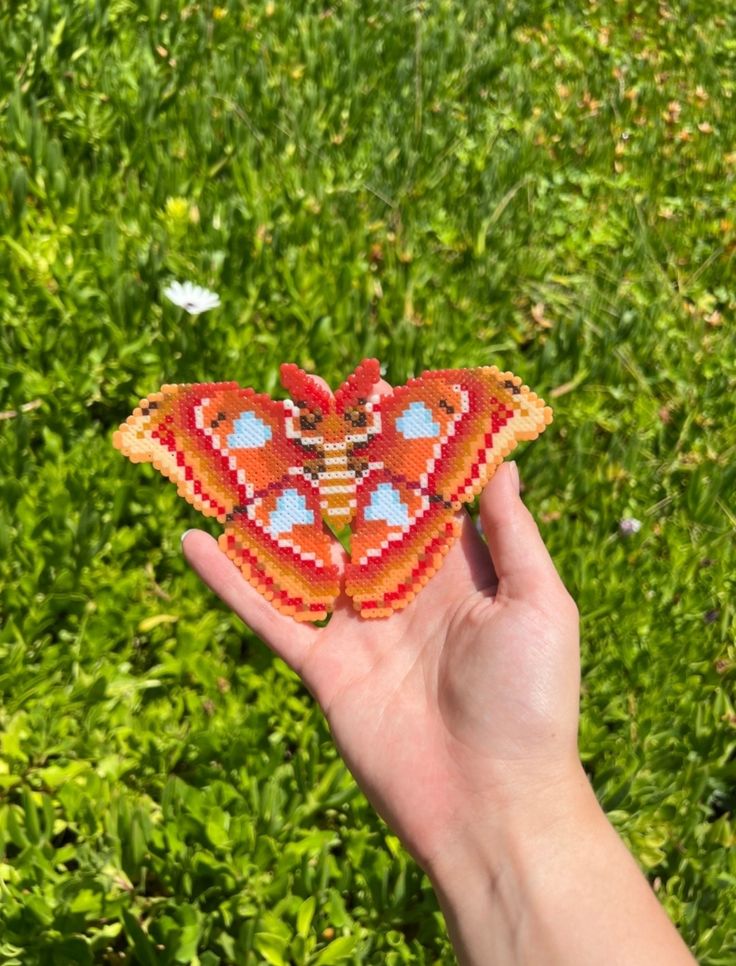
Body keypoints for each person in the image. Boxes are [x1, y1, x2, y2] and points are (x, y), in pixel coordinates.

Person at [181, 374, 696, 965]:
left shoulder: (302, 430)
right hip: (363, 501)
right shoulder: (396, 422)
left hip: (338, 504)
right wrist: (517, 804)